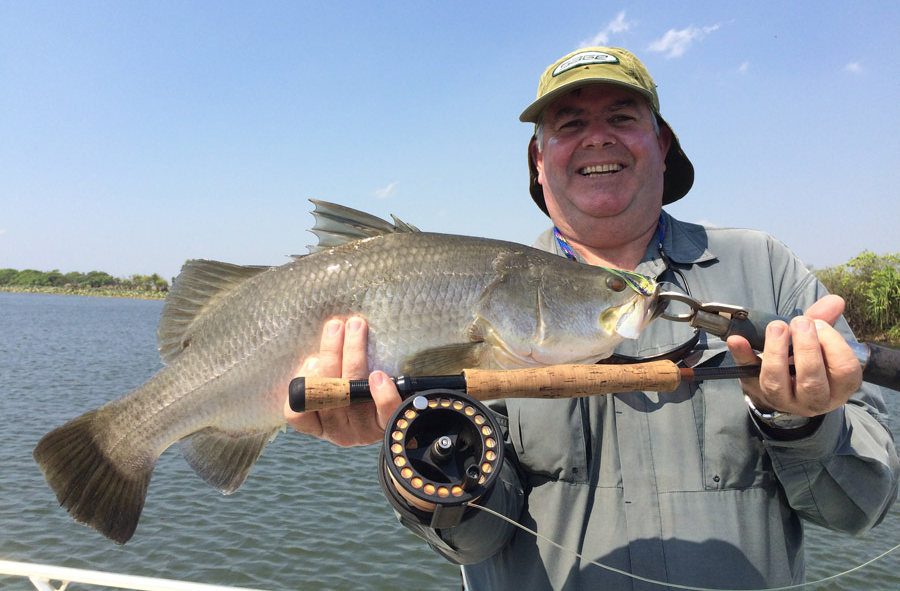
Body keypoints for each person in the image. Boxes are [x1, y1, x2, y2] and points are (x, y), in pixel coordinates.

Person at [285, 47, 900, 589]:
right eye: (570, 123)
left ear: (661, 144)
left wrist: (800, 424)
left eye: (623, 118)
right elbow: (474, 542)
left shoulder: (766, 268)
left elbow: (859, 507)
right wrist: (419, 454)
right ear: (538, 159)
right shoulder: (483, 294)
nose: (597, 137)